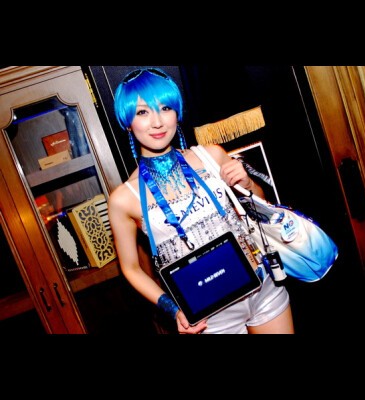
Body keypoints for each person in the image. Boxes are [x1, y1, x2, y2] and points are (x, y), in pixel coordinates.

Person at [108, 67, 294, 334]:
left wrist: (248, 185)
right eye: (142, 112)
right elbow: (130, 268)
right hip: (209, 316)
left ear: (177, 112)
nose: (157, 122)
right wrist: (172, 308)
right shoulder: (124, 199)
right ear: (128, 122)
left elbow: (260, 209)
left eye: (165, 108)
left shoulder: (212, 155)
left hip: (262, 288)